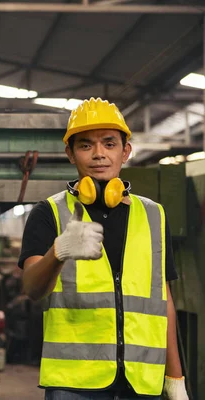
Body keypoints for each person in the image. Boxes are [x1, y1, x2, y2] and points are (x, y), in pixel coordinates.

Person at [19, 97, 189, 399]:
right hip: (74, 382)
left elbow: (163, 299)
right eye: (85, 145)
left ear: (126, 151)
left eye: (109, 144)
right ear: (70, 153)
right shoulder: (49, 213)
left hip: (141, 380)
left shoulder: (153, 215)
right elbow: (31, 288)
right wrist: (58, 252)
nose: (99, 154)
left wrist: (175, 376)